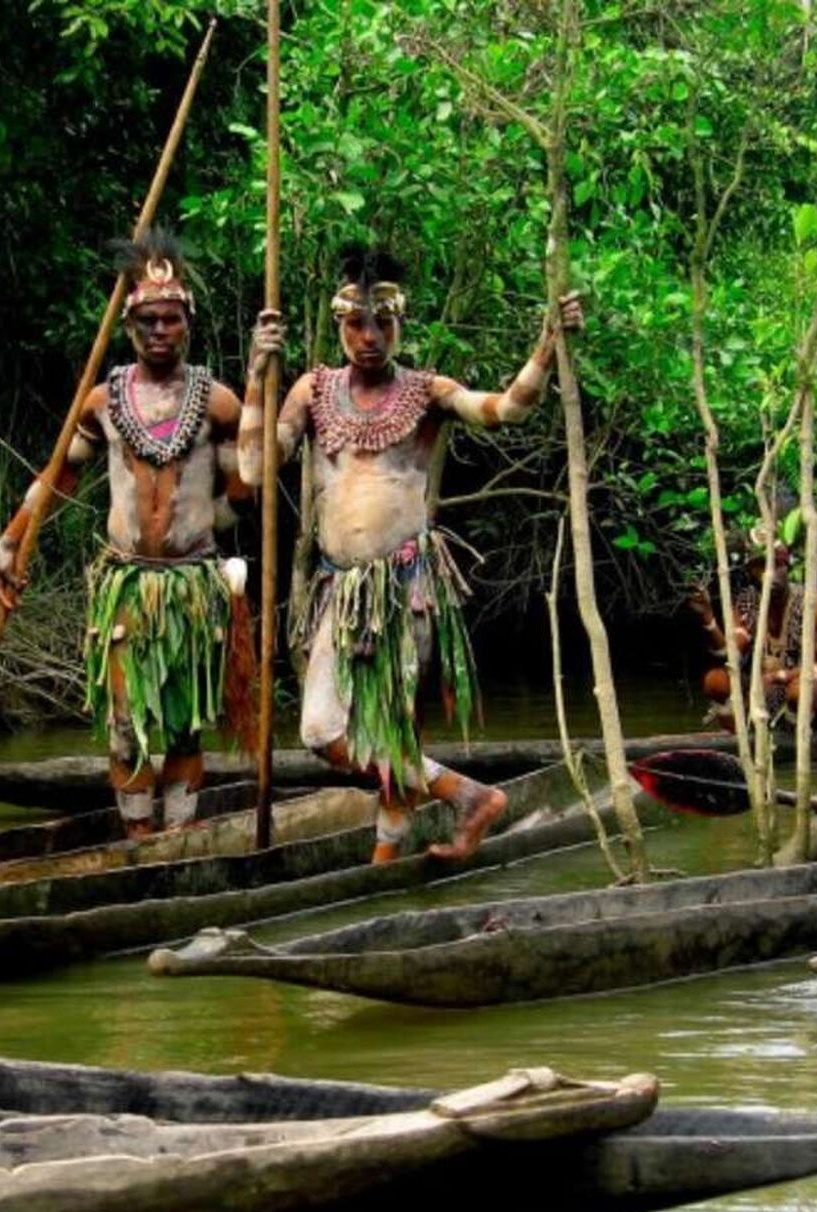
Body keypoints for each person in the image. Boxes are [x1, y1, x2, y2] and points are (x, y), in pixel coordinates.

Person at [241, 245, 581, 864]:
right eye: (355, 324)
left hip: (405, 588)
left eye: (382, 323)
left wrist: (547, 347)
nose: (369, 337)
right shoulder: (312, 390)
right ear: (340, 323)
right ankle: (467, 795)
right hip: (340, 594)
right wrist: (256, 377)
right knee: (321, 729)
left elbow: (503, 409)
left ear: (400, 324)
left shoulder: (426, 393)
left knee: (396, 727)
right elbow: (254, 467)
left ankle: (384, 862)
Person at [0, 231, 253, 838]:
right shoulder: (103, 402)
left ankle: (182, 840)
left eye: (170, 319)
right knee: (124, 720)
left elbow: (245, 492)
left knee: (187, 722)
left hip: (192, 585)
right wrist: (10, 543)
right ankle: (139, 841)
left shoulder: (218, 404)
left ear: (187, 323)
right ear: (128, 325)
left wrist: (199, 533)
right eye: (147, 320)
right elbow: (57, 481)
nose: (159, 331)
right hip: (127, 587)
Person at [689, 528, 817, 732]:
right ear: (751, 571)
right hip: (764, 691)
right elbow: (730, 654)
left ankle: (791, 739)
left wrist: (782, 676)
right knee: (715, 681)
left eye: (775, 565)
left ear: (786, 566)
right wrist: (708, 618)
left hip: (804, 691)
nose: (768, 573)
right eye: (760, 566)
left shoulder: (815, 602)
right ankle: (739, 740)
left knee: (800, 692)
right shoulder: (747, 602)